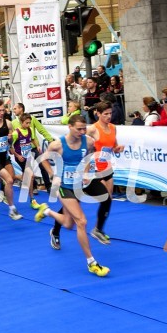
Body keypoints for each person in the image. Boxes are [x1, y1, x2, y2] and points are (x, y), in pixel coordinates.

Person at [31, 116, 111, 277]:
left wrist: (87, 171)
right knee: (81, 221)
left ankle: (46, 211)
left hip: (79, 184)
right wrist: (53, 174)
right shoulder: (58, 144)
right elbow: (42, 159)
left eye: (84, 129)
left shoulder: (87, 141)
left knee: (68, 224)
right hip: (64, 186)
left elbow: (90, 155)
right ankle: (92, 263)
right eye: (79, 129)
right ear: (70, 127)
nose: (82, 132)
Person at [85, 101, 125, 244]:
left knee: (108, 200)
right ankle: (57, 227)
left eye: (110, 113)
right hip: (94, 169)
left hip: (107, 167)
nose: (109, 116)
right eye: (106, 114)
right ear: (98, 114)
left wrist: (117, 148)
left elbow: (112, 146)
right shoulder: (92, 129)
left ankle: (98, 229)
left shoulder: (113, 128)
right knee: (104, 199)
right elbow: (79, 144)